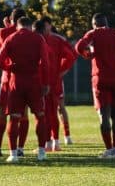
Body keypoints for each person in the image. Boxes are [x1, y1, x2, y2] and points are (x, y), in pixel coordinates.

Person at [75, 13, 115, 159]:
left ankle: (108, 149)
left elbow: (79, 46)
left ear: (94, 24)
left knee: (104, 115)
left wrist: (87, 54)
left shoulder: (93, 33)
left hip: (100, 77)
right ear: (107, 23)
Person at [0, 17, 51, 163]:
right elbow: (45, 62)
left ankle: (13, 154)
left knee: (14, 118)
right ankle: (41, 152)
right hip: (34, 80)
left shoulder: (11, 38)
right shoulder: (38, 39)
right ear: (29, 25)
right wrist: (45, 83)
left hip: (16, 81)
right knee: (40, 115)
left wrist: (10, 67)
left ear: (18, 26)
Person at [0, 8, 25, 157]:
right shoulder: (31, 34)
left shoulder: (3, 32)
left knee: (2, 114)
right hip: (23, 77)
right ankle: (20, 148)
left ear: (11, 19)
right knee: (23, 115)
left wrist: (8, 26)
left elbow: (2, 49)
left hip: (7, 77)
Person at [38, 18, 76, 152]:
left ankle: (52, 142)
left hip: (46, 81)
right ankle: (55, 142)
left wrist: (62, 70)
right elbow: (71, 56)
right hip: (53, 80)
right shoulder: (49, 39)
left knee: (49, 112)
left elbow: (71, 56)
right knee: (53, 111)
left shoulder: (54, 39)